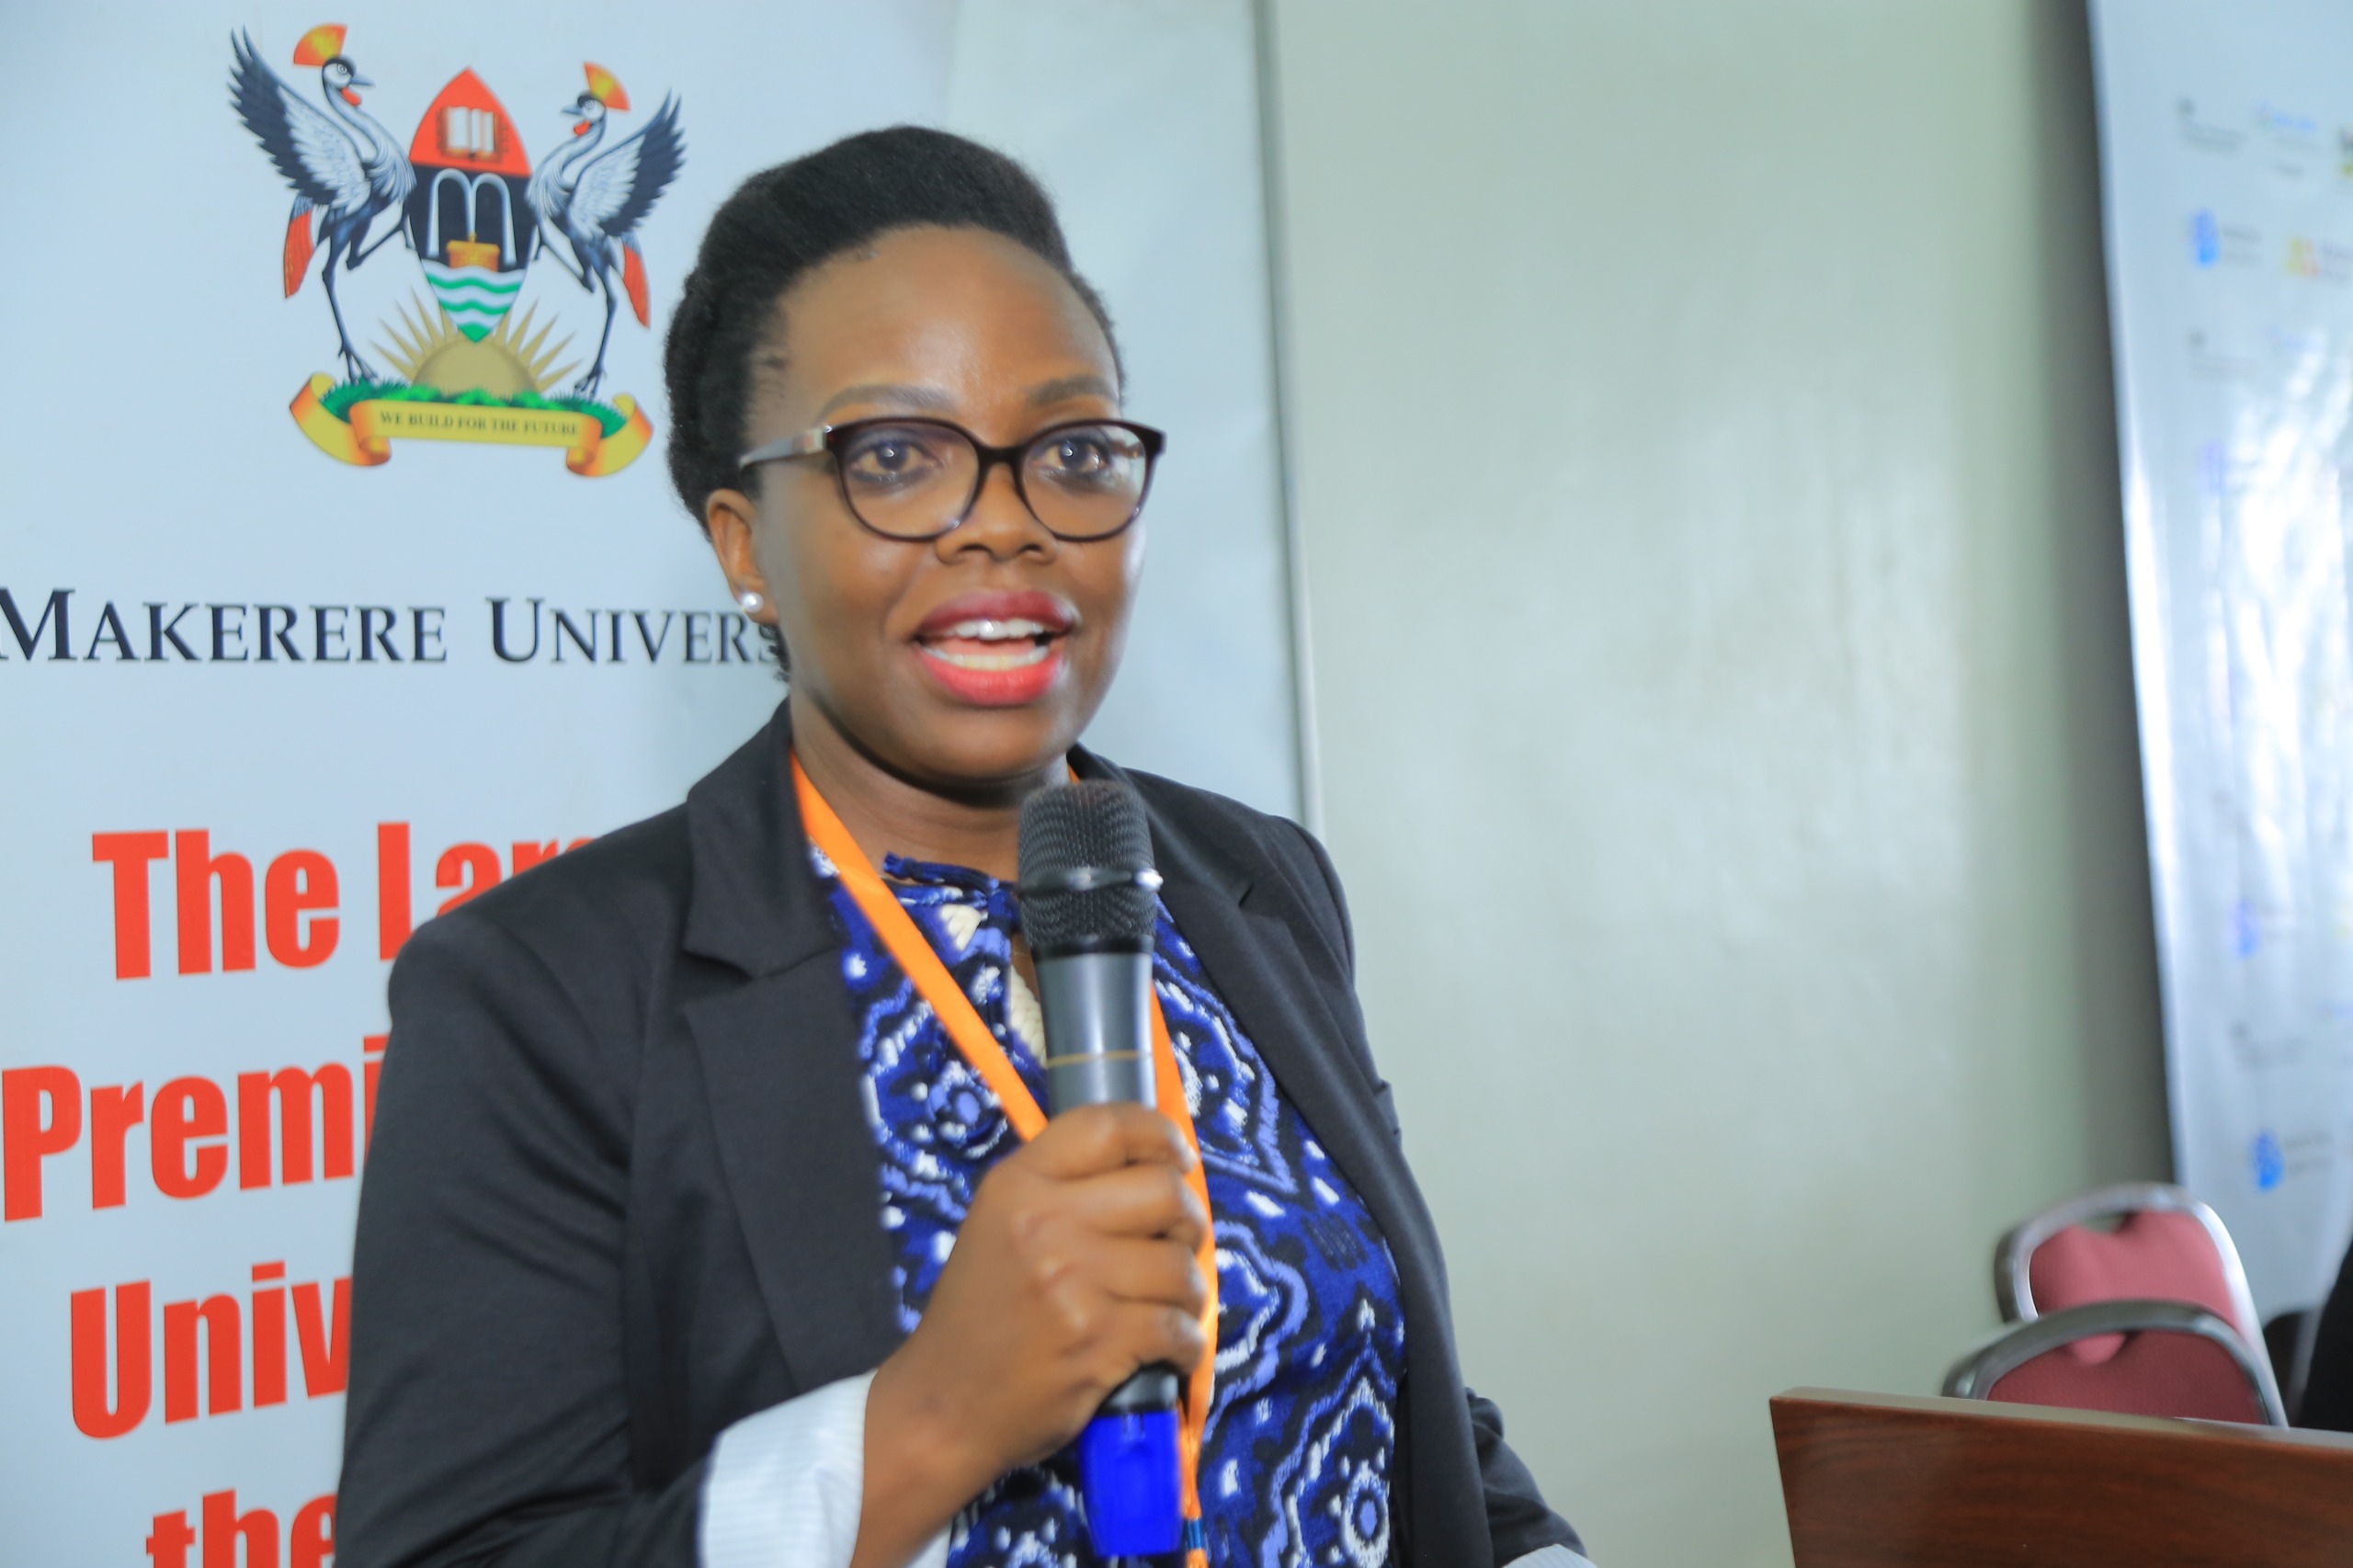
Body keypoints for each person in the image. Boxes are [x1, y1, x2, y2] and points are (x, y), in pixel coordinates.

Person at [336, 126, 1588, 1568]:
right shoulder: (547, 992)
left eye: (1070, 451)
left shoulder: (1254, 878)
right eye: (897, 457)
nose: (1006, 525)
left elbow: (1396, 1395)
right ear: (744, 543)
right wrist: (931, 1417)